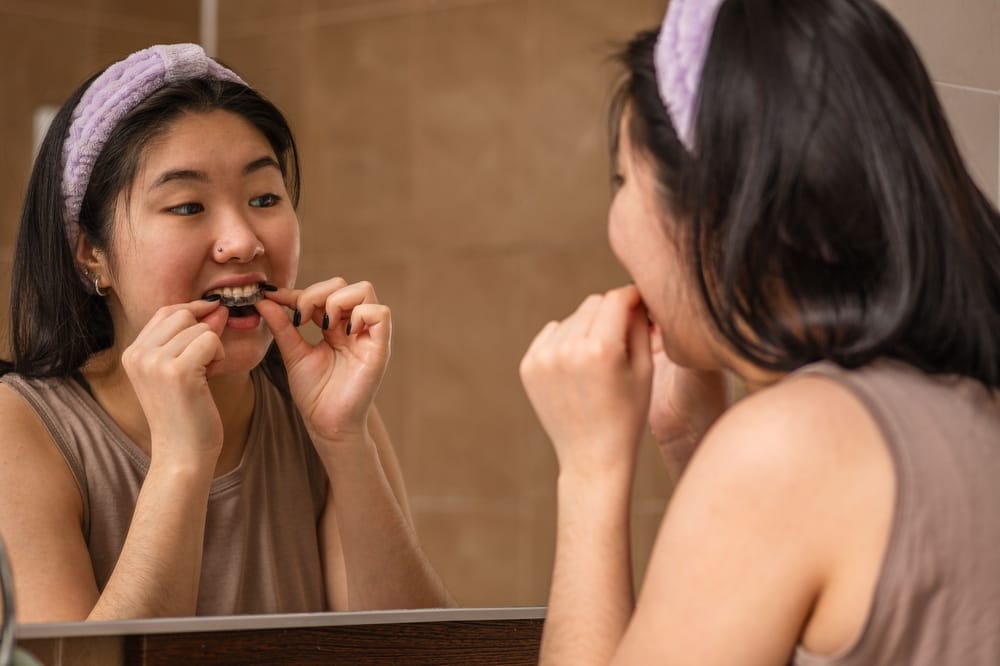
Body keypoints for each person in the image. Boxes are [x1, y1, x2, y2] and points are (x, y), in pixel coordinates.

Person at [519, 0, 1000, 664]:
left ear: (717, 205)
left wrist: (591, 470)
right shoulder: (963, 402)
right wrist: (696, 441)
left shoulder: (793, 447)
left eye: (623, 179)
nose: (614, 217)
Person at [0, 43, 452, 621]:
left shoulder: (317, 411)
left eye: (264, 198)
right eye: (188, 206)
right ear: (93, 255)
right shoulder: (23, 428)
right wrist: (183, 460)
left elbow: (414, 656)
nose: (242, 240)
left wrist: (343, 439)